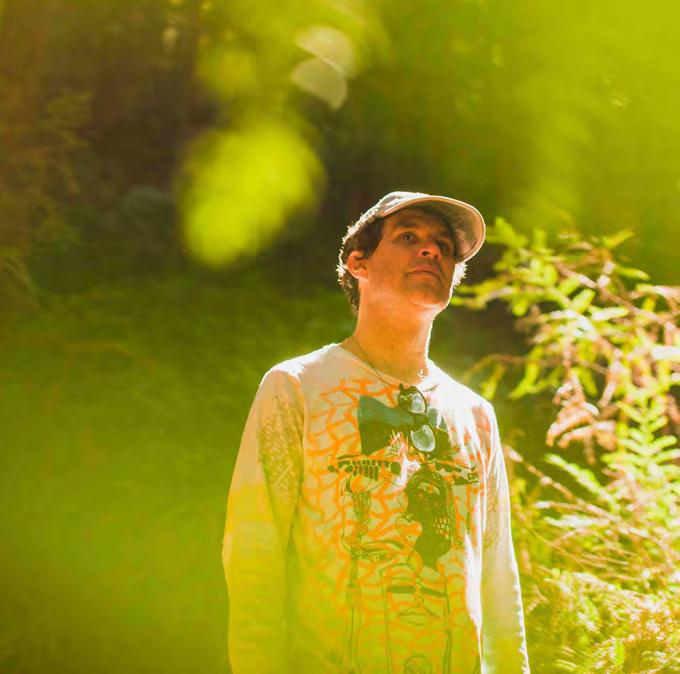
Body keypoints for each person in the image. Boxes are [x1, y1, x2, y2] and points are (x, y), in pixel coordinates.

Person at [222, 191, 530, 674]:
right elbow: (253, 553)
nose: (431, 250)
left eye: (444, 246)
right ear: (358, 263)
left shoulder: (474, 415)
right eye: (408, 236)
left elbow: (498, 577)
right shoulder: (298, 387)